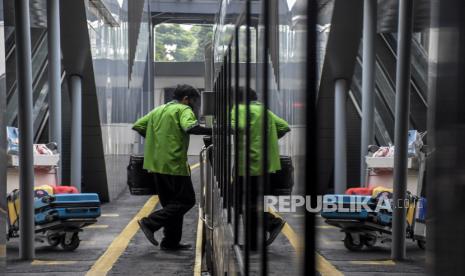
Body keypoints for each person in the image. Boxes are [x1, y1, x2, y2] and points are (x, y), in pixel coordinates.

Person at [132, 84, 211, 251]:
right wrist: (216, 131)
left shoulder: (159, 110)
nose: (193, 106)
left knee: (172, 205)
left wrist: (157, 139)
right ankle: (150, 223)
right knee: (186, 201)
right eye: (193, 101)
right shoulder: (183, 109)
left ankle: (170, 242)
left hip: (155, 165)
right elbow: (191, 127)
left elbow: (139, 125)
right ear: (186, 99)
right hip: (173, 164)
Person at [231, 87, 291, 246]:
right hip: (266, 167)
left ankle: (272, 223)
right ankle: (252, 243)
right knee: (253, 202)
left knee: (242, 202)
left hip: (249, 165)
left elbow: (234, 126)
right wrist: (269, 138)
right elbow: (284, 126)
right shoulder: (264, 110)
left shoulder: (239, 109)